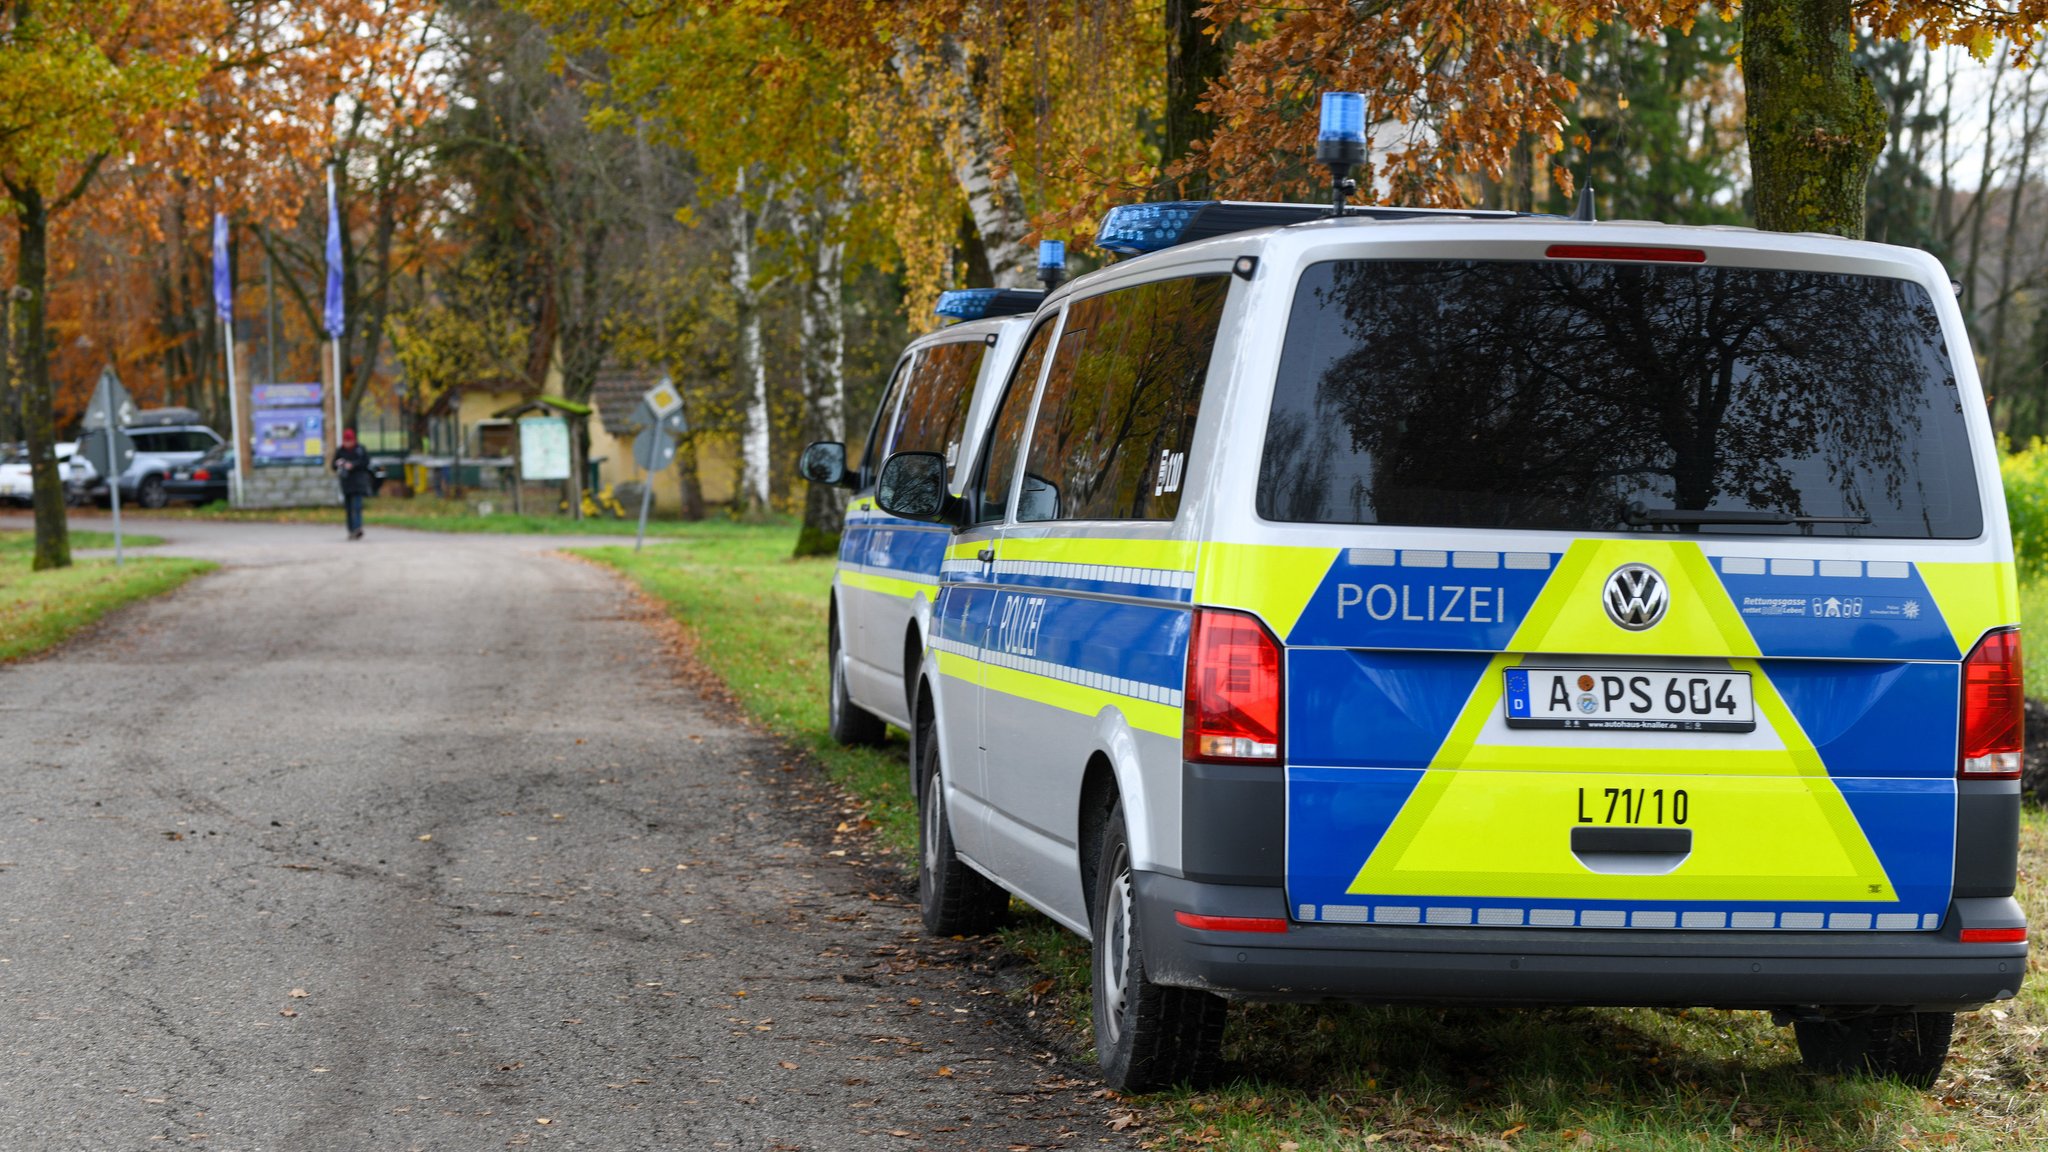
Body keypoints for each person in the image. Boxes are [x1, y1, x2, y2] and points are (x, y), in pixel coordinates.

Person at [332, 428, 373, 540]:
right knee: (349, 508)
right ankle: (351, 530)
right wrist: (339, 464)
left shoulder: (360, 449)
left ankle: (357, 528)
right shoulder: (340, 451)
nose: (348, 444)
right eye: (346, 441)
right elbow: (333, 466)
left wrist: (353, 465)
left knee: (357, 507)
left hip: (358, 482)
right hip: (346, 483)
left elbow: (366, 462)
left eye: (350, 441)